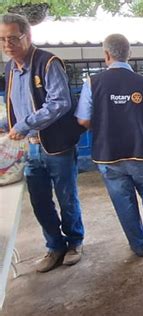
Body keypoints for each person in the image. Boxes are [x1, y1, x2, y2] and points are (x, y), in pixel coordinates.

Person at [0, 13, 85, 272]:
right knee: (39, 201)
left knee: (66, 197)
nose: (7, 44)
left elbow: (60, 102)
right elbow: (15, 106)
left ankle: (74, 243)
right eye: (2, 39)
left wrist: (24, 125)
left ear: (28, 36)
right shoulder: (9, 69)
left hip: (55, 145)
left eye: (13, 38)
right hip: (27, 149)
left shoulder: (48, 63)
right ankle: (54, 246)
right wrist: (8, 125)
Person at [75, 34, 143, 257]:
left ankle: (138, 245)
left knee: (123, 201)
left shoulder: (92, 84)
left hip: (108, 155)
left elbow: (83, 120)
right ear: (129, 54)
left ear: (106, 55)